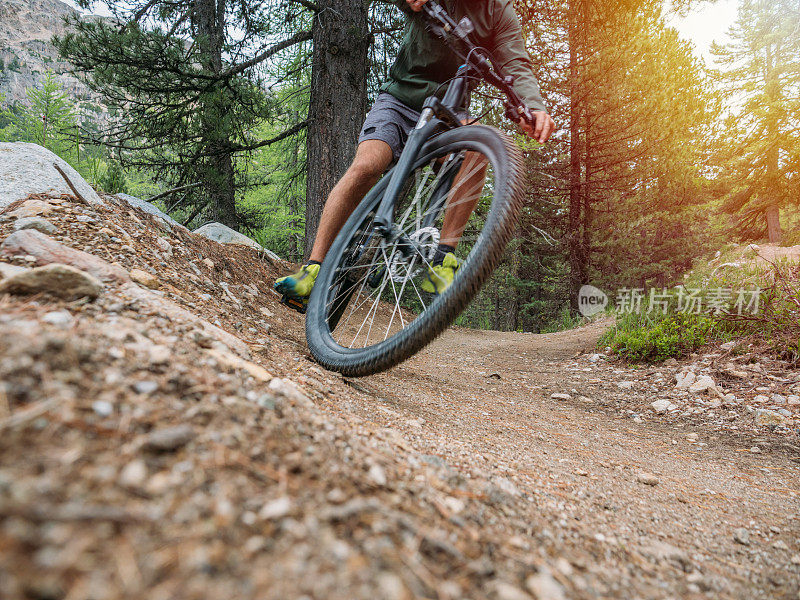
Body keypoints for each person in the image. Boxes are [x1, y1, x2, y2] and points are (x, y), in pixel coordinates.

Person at [275, 0, 556, 306]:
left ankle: (443, 259)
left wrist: (533, 106)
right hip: (399, 98)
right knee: (367, 166)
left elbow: (516, 63)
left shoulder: (499, 11)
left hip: (449, 109)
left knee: (478, 149)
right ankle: (313, 268)